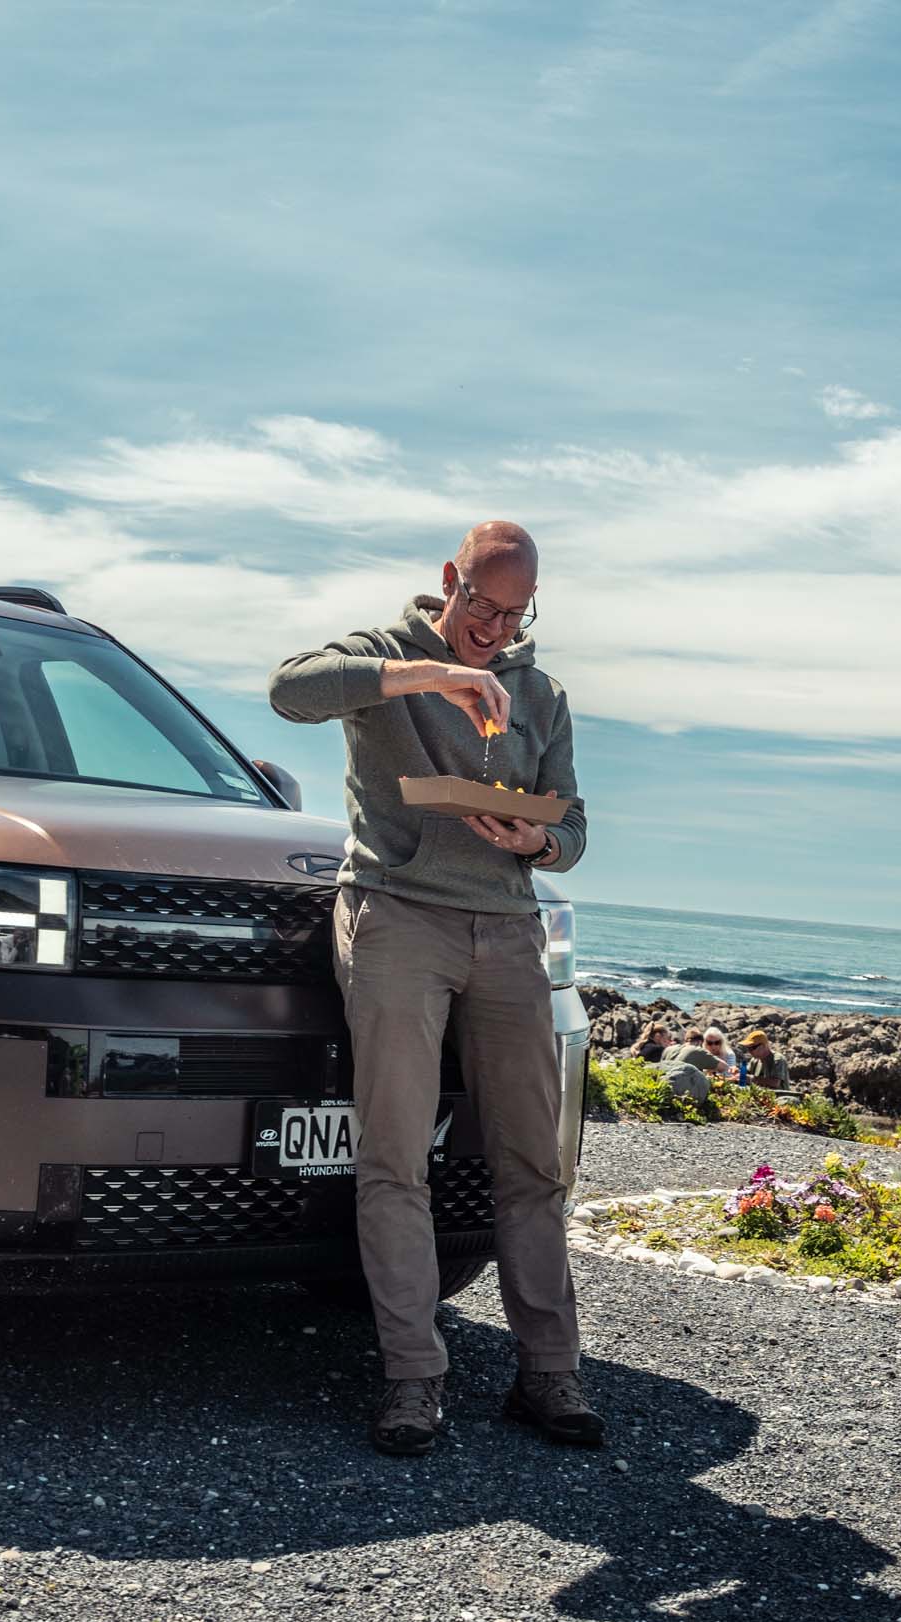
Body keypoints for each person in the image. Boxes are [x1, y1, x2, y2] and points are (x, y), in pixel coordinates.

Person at [268, 520, 602, 1457]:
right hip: (396, 915)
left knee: (534, 1163)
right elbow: (289, 689)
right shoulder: (383, 658)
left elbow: (573, 823)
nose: (494, 628)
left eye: (514, 613)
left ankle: (549, 1373)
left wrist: (537, 842)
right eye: (483, 605)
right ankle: (414, 1381)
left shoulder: (543, 692)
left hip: (507, 928)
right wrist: (432, 677)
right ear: (449, 580)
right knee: (395, 1159)